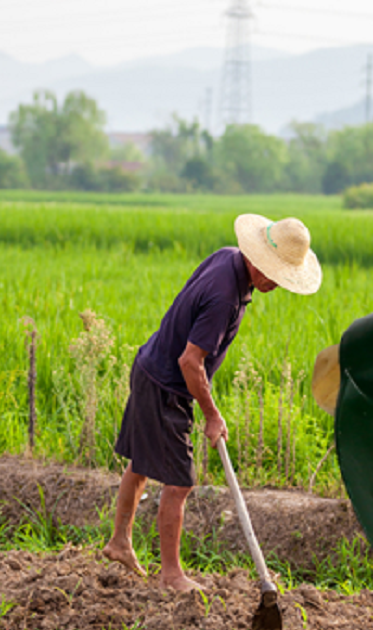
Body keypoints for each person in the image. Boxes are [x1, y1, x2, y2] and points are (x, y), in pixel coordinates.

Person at [102, 214, 322, 592]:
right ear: (259, 260)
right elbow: (190, 361)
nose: (275, 284)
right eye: (275, 274)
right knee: (179, 483)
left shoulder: (227, 258)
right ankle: (171, 575)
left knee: (141, 462)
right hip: (166, 385)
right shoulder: (224, 296)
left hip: (149, 366)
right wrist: (211, 414)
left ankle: (119, 542)